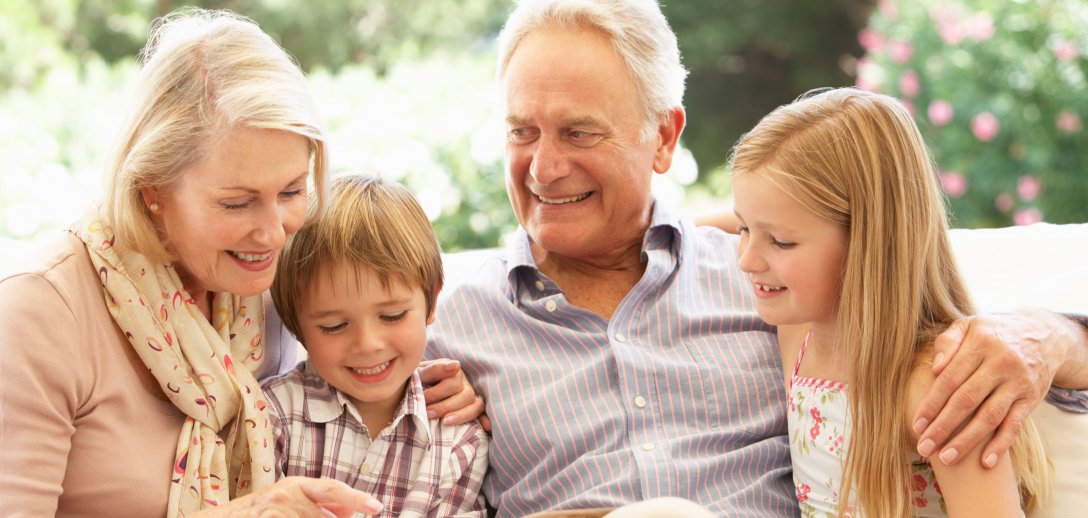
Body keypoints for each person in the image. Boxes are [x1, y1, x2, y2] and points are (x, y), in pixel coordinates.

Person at [425, 0, 1088, 516]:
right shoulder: (444, 331)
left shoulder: (780, 288)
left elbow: (889, 271)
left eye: (578, 131)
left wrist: (1056, 336)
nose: (542, 166)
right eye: (521, 131)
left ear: (663, 137)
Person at [0, 9, 476, 517]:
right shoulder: (39, 312)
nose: (275, 233)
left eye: (293, 190)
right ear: (153, 190)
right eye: (236, 203)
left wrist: (432, 390)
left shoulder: (272, 283)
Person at [731, 87, 1051, 517]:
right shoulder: (797, 333)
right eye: (742, 229)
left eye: (781, 242)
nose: (747, 260)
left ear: (868, 244)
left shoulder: (933, 386)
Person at [262, 175, 489, 516]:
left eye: (393, 316)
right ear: (297, 326)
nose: (368, 345)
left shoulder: (459, 442)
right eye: (334, 326)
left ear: (431, 302)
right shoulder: (271, 417)